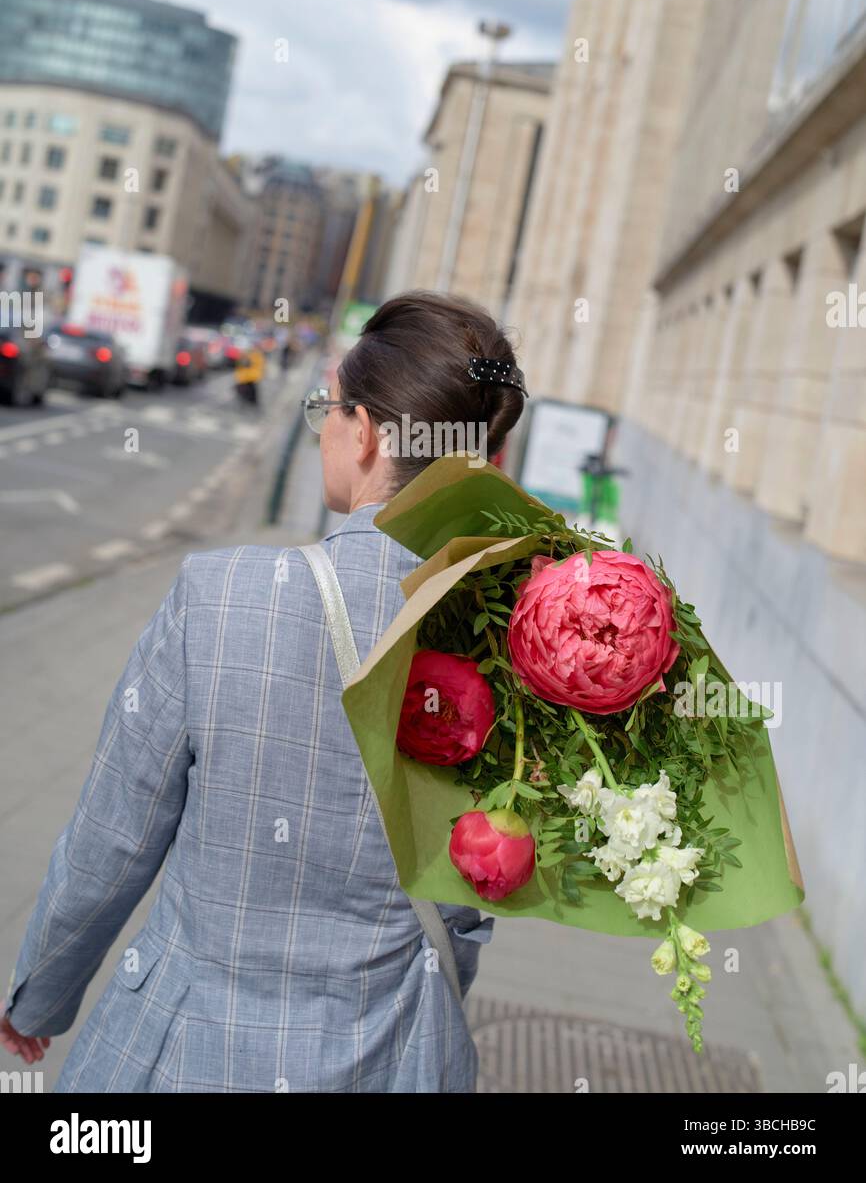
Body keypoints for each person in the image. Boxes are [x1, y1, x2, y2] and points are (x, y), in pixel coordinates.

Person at [0, 290, 527, 1093]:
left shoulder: (221, 596)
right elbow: (478, 890)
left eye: (332, 407)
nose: (324, 428)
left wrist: (41, 992)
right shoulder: (513, 643)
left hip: (184, 1050)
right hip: (399, 1055)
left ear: (372, 433)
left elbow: (114, 838)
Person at [233, 341, 265, 406]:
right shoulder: (254, 354)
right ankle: (250, 401)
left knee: (250, 390)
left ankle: (250, 401)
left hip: (250, 376)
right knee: (250, 390)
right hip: (250, 376)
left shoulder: (253, 355)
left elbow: (246, 364)